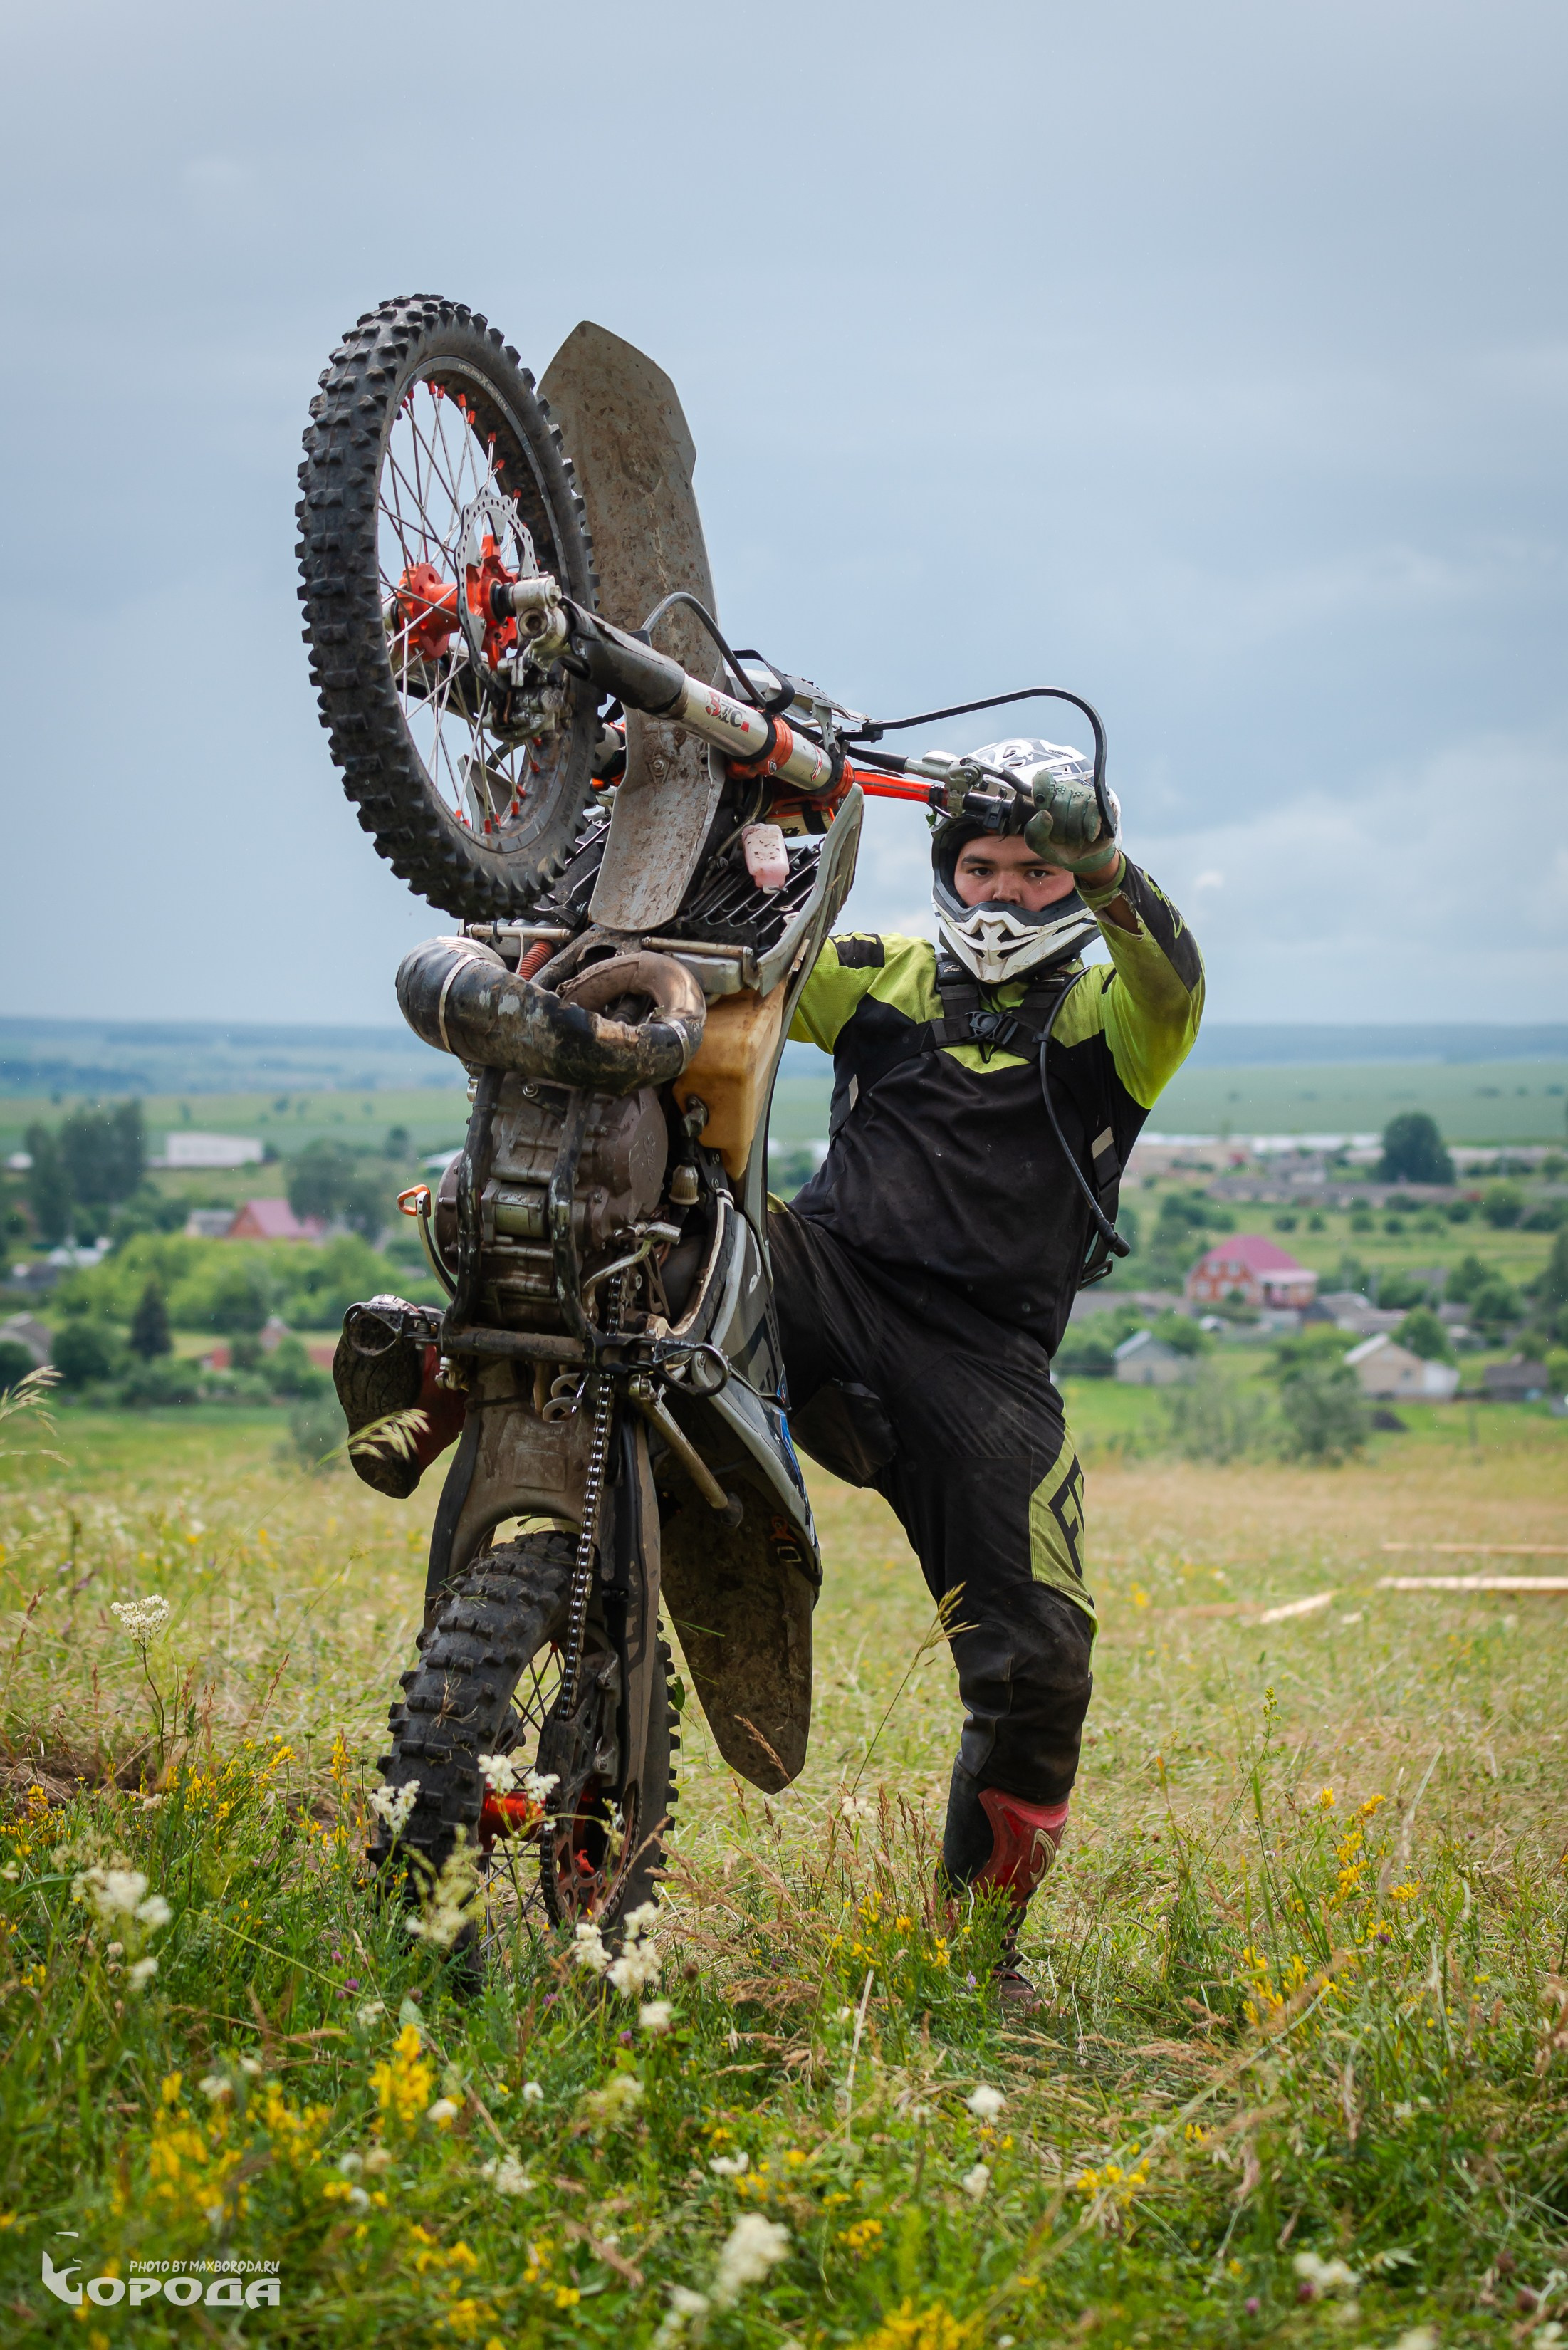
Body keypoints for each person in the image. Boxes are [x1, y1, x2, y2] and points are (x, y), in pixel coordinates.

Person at [770, 739, 1203, 2000]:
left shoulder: (1116, 1016)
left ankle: (978, 1957)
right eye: (982, 868)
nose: (1006, 891)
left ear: (1075, 877)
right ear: (947, 872)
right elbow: (747, 965)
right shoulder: (879, 972)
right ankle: (465, 1368)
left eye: (1035, 869)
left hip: (985, 1363)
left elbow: (1173, 975)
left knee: (1040, 1656)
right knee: (680, 1217)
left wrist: (1107, 867)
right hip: (824, 1281)